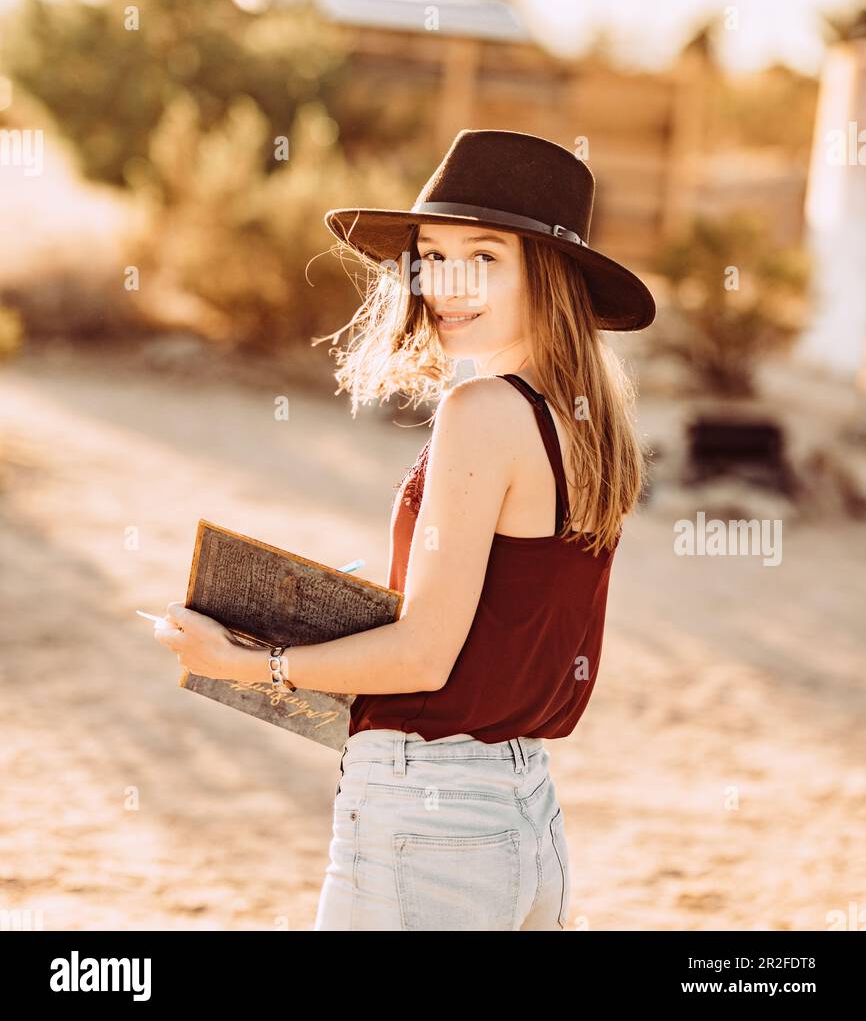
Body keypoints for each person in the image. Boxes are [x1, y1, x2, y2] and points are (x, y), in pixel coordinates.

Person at [156, 127, 656, 931]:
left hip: (428, 826)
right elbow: (506, 611)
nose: (445, 283)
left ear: (548, 274)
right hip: (526, 814)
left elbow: (425, 657)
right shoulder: (588, 424)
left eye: (484, 256)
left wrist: (247, 663)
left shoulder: (481, 410)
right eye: (430, 254)